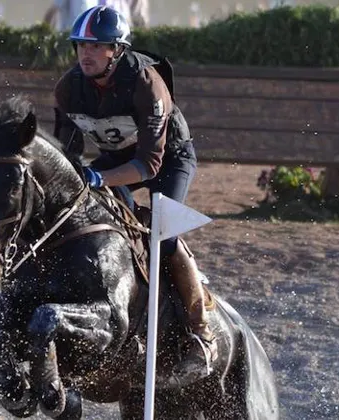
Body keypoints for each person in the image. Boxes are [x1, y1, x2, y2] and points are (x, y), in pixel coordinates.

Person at [51, 5, 216, 382]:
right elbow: (66, 155)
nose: (86, 54)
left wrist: (100, 177)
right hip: (118, 157)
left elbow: (149, 165)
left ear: (117, 50)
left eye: (97, 47)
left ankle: (201, 333)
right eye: (81, 46)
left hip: (167, 159)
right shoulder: (68, 88)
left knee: (163, 234)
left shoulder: (147, 83)